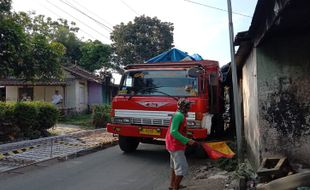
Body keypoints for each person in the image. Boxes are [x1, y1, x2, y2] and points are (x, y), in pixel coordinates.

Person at [166, 99, 196, 190]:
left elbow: (178, 130)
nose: (190, 108)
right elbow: (173, 132)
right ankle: (175, 188)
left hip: (172, 143)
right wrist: (187, 140)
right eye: (188, 106)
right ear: (184, 107)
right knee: (182, 169)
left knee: (175, 166)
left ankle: (173, 185)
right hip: (175, 145)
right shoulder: (179, 116)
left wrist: (188, 135)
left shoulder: (179, 114)